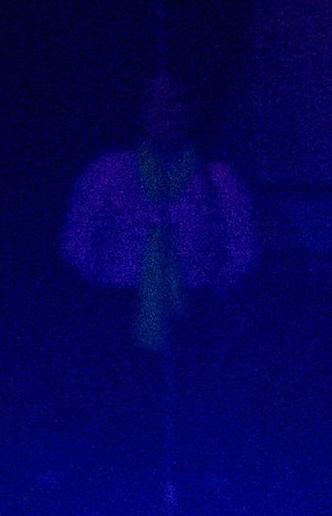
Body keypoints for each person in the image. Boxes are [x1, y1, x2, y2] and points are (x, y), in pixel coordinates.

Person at [60, 73, 257, 348]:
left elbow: (242, 249)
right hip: (116, 307)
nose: (165, 111)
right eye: (155, 102)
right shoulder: (106, 170)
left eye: (174, 102)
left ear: (189, 110)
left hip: (194, 309)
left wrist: (212, 288)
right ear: (141, 108)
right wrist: (104, 291)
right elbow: (75, 241)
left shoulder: (217, 177)